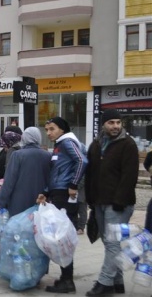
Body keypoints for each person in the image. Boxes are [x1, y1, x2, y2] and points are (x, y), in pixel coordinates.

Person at [84, 109, 139, 296]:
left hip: (118, 204)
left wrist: (120, 201)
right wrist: (90, 199)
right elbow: (90, 173)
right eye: (111, 123)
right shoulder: (96, 144)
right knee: (109, 243)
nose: (115, 126)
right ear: (104, 125)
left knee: (113, 242)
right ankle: (118, 282)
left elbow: (130, 176)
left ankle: (105, 282)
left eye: (118, 122)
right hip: (99, 202)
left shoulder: (128, 144)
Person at [40, 117, 87, 294]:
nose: (48, 133)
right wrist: (45, 191)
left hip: (64, 195)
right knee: (60, 238)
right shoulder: (61, 144)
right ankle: (66, 278)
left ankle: (67, 281)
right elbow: (56, 172)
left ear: (62, 129)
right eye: (46, 129)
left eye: (52, 129)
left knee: (62, 239)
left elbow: (82, 161)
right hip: (58, 192)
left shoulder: (67, 142)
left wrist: (73, 185)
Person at [0, 127, 51, 216]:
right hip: (40, 201)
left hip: (18, 203)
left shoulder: (17, 155)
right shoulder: (48, 156)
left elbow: (9, 182)